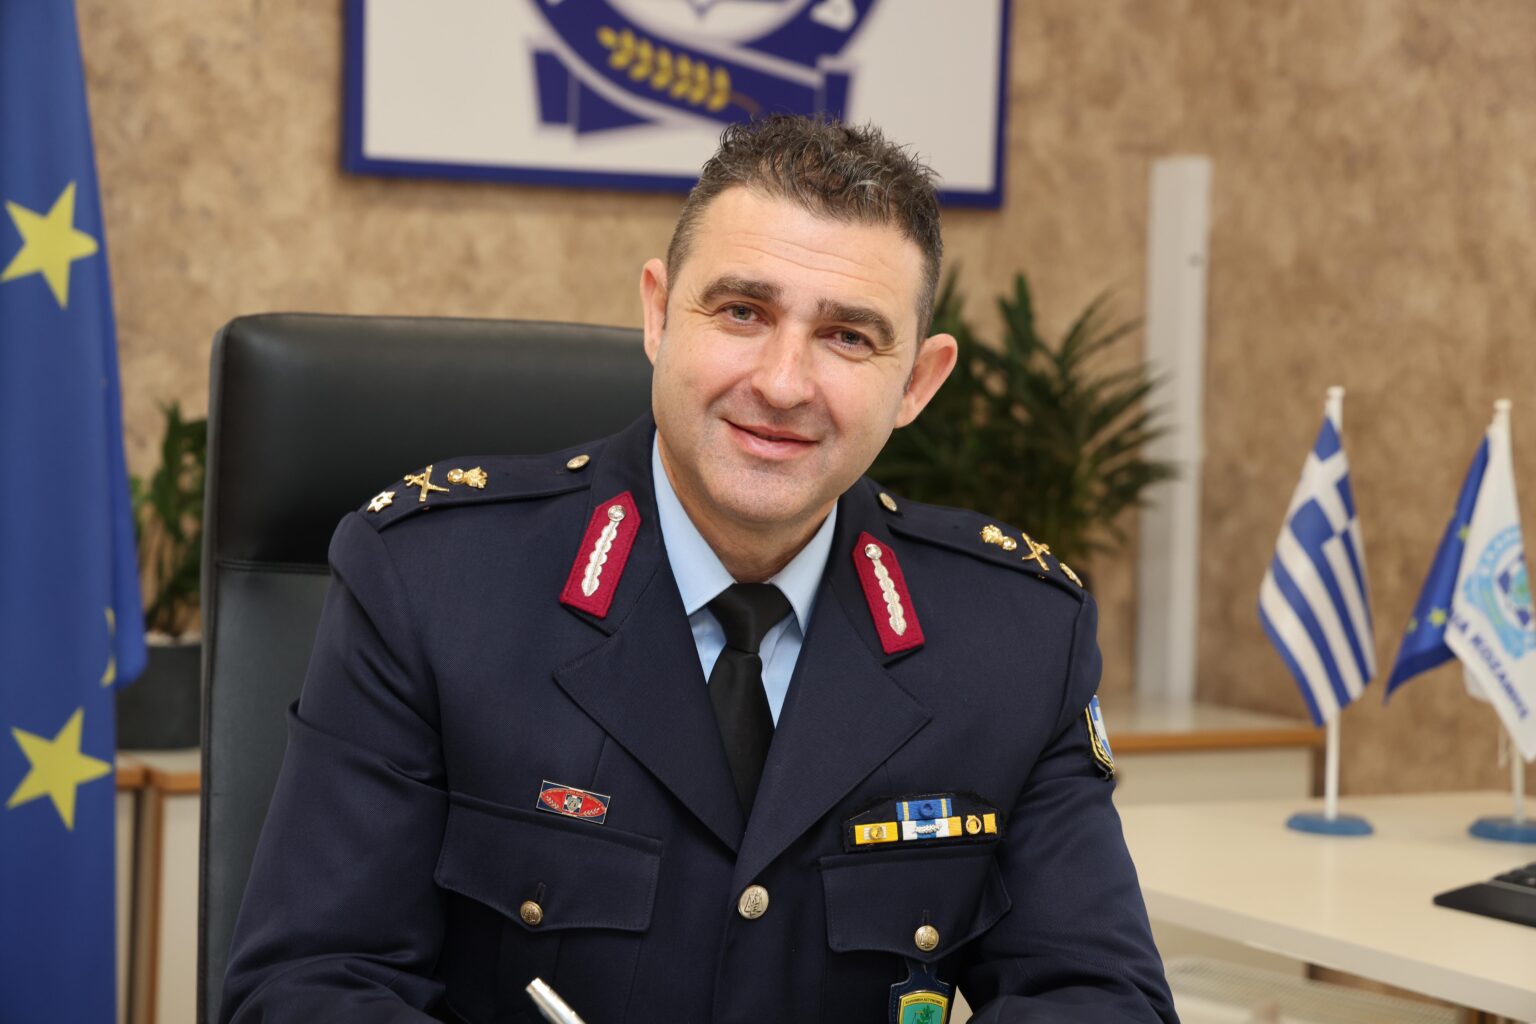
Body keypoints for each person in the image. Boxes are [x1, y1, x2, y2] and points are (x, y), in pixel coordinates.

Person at [221, 116, 1177, 1023]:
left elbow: (1100, 996)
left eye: (848, 336)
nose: (783, 383)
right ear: (658, 314)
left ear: (917, 383)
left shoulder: (1017, 639)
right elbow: (310, 986)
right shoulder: (432, 584)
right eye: (742, 311)